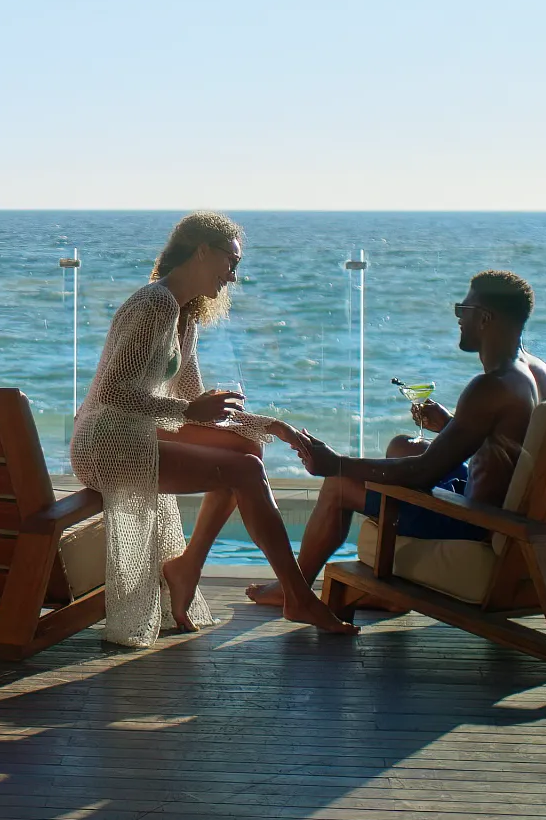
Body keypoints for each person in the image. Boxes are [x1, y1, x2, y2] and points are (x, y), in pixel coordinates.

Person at [71, 212, 358, 646]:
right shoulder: (155, 304)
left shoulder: (182, 313)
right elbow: (111, 395)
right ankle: (299, 596)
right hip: (106, 443)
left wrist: (271, 426)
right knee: (244, 470)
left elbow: (195, 399)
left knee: (247, 447)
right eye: (231, 262)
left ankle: (188, 566)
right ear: (202, 251)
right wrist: (189, 409)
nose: (234, 276)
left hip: (134, 432)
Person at [248, 270, 546, 608]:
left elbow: (422, 473)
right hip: (499, 501)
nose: (458, 318)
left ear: (485, 318)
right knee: (403, 446)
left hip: (476, 520)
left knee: (339, 486)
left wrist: (334, 463)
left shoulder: (492, 386)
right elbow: (512, 445)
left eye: (463, 309)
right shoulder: (538, 372)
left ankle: (294, 589)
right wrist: (451, 425)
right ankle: (391, 590)